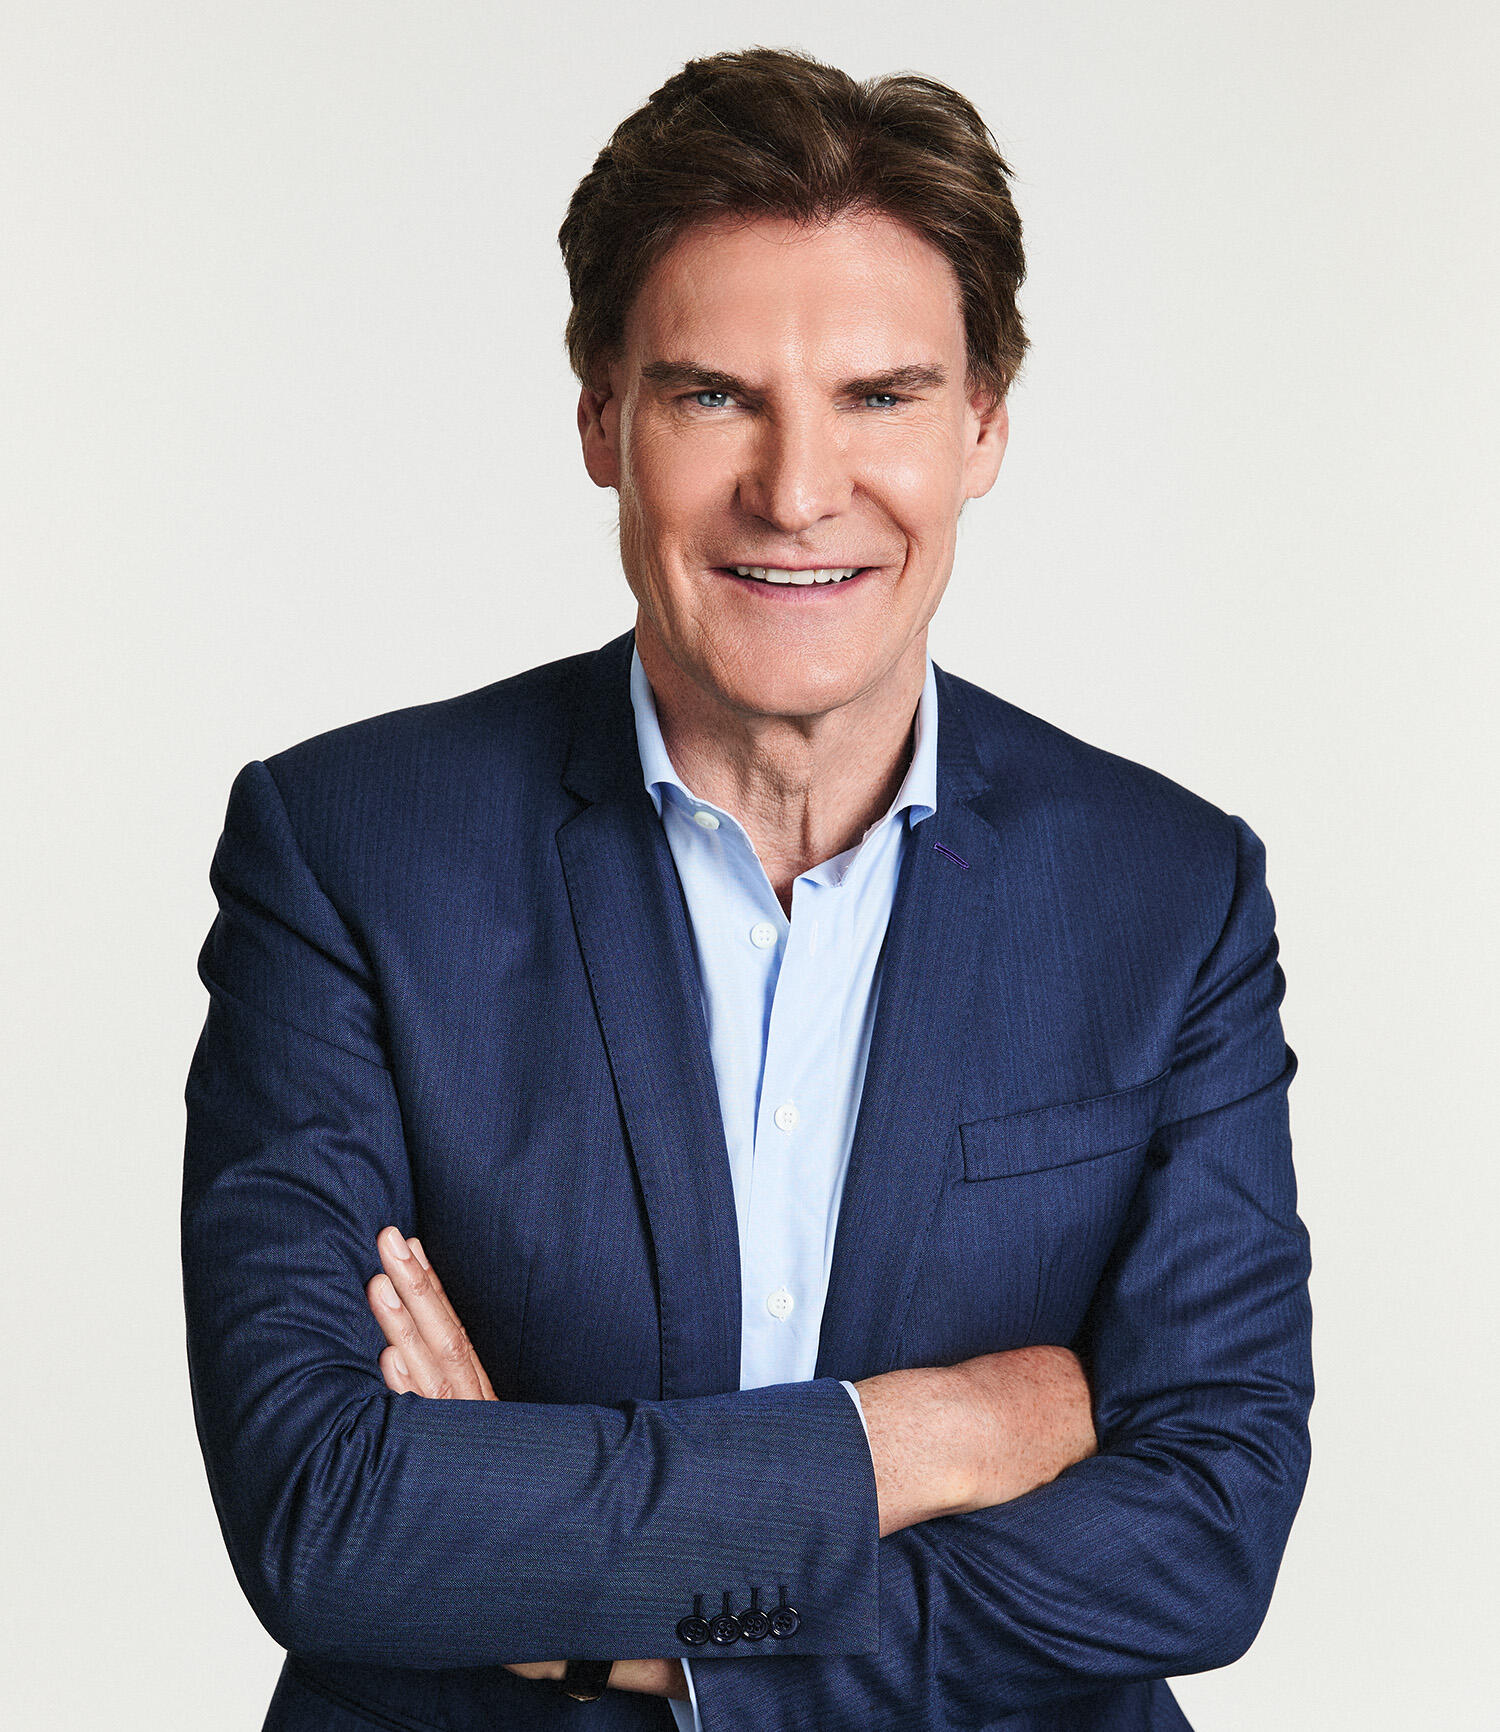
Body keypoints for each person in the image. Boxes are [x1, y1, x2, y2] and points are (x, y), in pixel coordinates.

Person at [182, 47, 1313, 1732]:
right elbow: (328, 1512)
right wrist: (924, 1436)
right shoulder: (347, 852)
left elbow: (1206, 1532)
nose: (796, 492)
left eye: (881, 397)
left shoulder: (1170, 894)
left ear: (985, 423)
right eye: (715, 397)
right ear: (601, 420)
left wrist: (614, 1632)